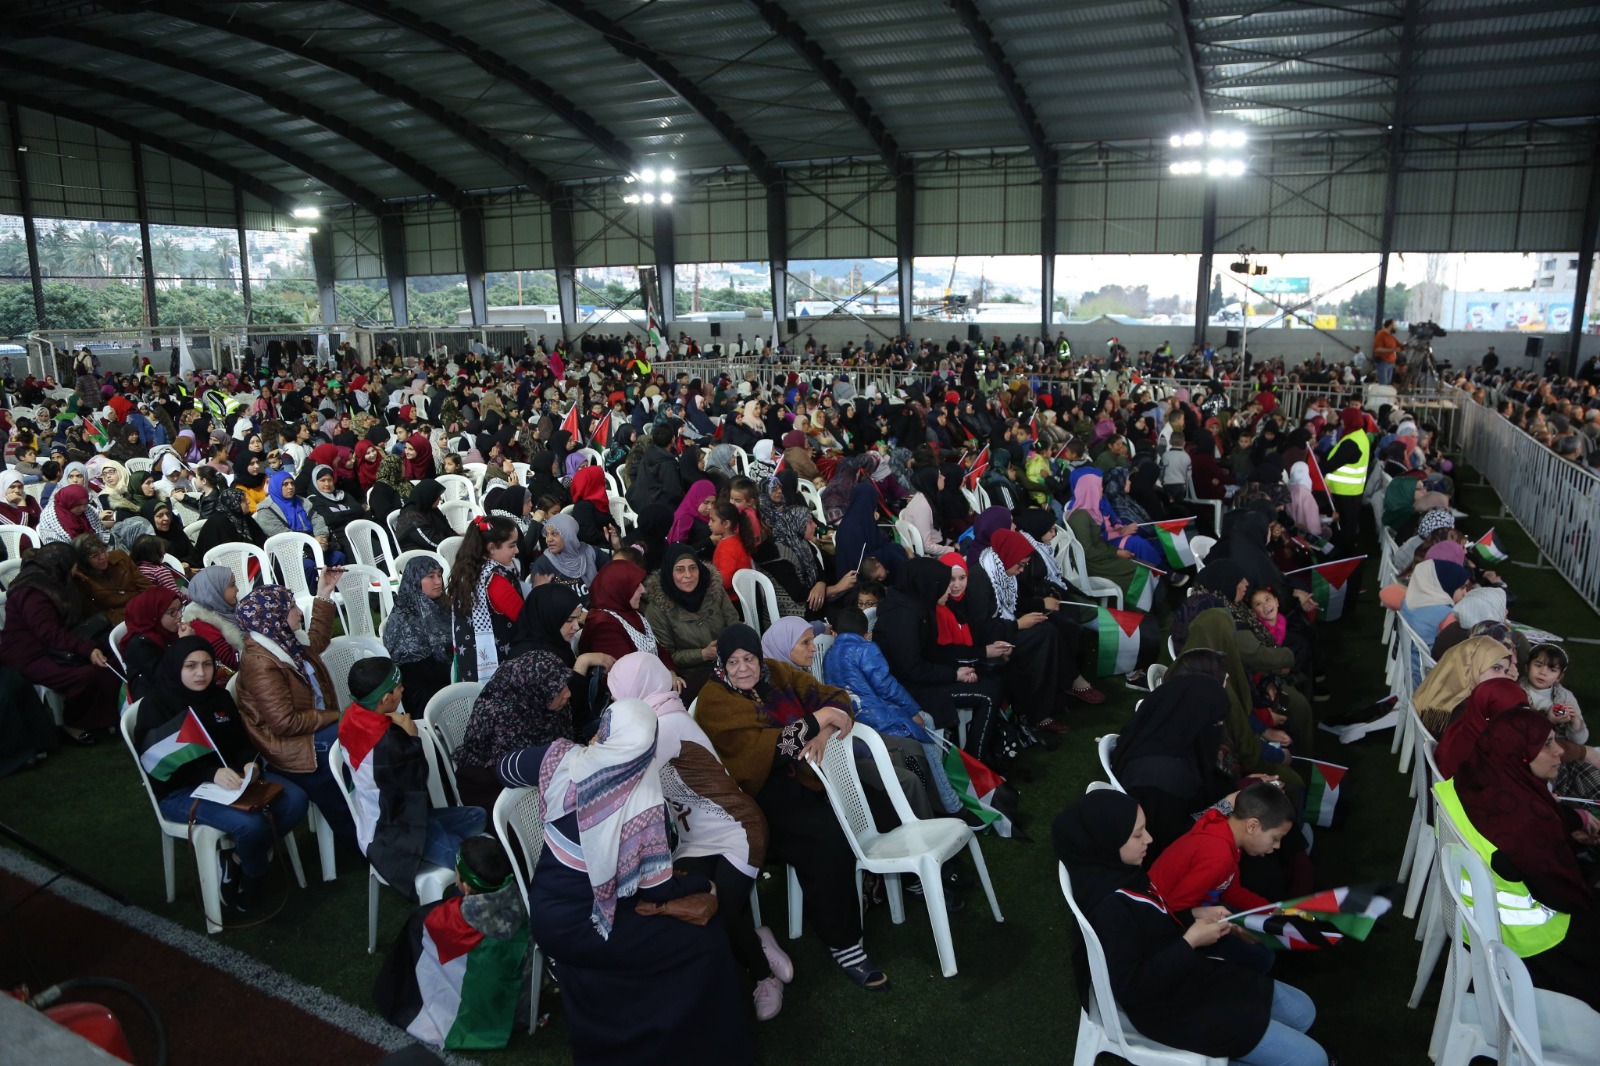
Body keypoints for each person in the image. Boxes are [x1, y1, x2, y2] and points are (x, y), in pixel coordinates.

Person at [495, 698, 754, 1064]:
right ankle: (677, 1046)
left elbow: (504, 769)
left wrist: (565, 758)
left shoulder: (562, 760)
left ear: (605, 731)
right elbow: (658, 890)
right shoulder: (644, 803)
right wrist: (702, 885)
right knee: (704, 940)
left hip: (552, 914)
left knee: (688, 935)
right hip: (596, 920)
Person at [1053, 789, 1327, 1065]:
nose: (1149, 839)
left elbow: (1155, 920)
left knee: (1303, 1012)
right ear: (1108, 840)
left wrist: (1195, 914)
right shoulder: (1109, 907)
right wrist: (1191, 941)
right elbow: (1132, 986)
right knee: (1314, 1058)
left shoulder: (1124, 875)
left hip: (1188, 978)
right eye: (1138, 834)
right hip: (1170, 1008)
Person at [695, 624, 889, 990]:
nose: (742, 669)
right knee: (825, 837)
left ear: (759, 656)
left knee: (874, 801)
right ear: (721, 663)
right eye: (732, 661)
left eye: (749, 658)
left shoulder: (777, 672)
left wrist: (825, 730)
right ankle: (846, 943)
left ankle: (891, 882)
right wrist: (821, 719)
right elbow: (769, 749)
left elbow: (835, 697)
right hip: (758, 798)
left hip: (807, 776)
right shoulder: (714, 700)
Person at [608, 651, 791, 1021]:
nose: (614, 701)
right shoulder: (653, 715)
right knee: (689, 897)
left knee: (721, 905)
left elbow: (622, 776)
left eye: (617, 692)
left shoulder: (664, 724)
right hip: (696, 838)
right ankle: (757, 937)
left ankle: (763, 976)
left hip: (737, 828)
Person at [1435, 708, 1600, 1012]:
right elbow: (1569, 895)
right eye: (1547, 744)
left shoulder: (1470, 779)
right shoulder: (1528, 821)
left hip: (1478, 924)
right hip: (1532, 945)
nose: (1559, 751)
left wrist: (1567, 826)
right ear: (1519, 753)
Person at [134, 636, 310, 913]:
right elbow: (157, 764)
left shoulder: (219, 697)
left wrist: (250, 764)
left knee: (297, 798)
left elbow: (241, 744)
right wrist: (209, 773)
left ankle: (238, 859)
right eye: (190, 666)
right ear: (174, 667)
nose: (201, 673)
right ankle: (251, 880)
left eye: (207, 664)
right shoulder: (156, 706)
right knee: (251, 826)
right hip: (180, 790)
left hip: (233, 781)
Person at [337, 657, 486, 897]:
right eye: (398, 688)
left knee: (478, 816)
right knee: (470, 865)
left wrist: (387, 719)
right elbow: (417, 783)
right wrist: (412, 736)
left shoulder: (349, 715)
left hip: (399, 813)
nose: (403, 689)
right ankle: (466, 913)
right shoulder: (390, 745)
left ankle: (445, 842)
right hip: (393, 831)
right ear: (386, 699)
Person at [374, 835, 529, 1050]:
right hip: (522, 1006)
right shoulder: (518, 898)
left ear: (465, 886)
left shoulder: (445, 920)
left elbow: (426, 937)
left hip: (486, 1019)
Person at [234, 576, 355, 849]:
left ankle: (373, 820)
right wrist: (339, 716)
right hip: (288, 747)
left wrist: (323, 593)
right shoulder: (261, 662)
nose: (299, 612)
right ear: (273, 616)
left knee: (366, 739)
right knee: (355, 738)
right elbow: (284, 723)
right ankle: (356, 832)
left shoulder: (283, 640)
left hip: (312, 731)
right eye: (291, 607)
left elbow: (317, 641)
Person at [0, 541, 121, 743]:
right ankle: (71, 722)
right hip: (29, 653)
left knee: (110, 659)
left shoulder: (53, 579)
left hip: (56, 645)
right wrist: (86, 649)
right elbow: (48, 632)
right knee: (86, 674)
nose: (76, 568)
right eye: (73, 564)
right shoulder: (33, 592)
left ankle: (104, 716)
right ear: (61, 564)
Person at [1108, 670, 1238, 857]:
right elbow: (1169, 843)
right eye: (1215, 724)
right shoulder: (1160, 777)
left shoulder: (1160, 736)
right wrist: (1226, 806)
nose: (1218, 732)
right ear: (1194, 721)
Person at [452, 650, 575, 811]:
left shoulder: (544, 702)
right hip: (497, 797)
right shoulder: (501, 719)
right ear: (533, 689)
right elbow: (517, 778)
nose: (568, 693)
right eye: (558, 689)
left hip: (548, 785)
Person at [1149, 781, 1293, 916]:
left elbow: (1230, 891)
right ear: (1252, 826)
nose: (1277, 846)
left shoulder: (1229, 839)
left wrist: (1277, 911)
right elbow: (1177, 909)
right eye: (1275, 838)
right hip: (1160, 917)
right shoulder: (1218, 855)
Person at [643, 545, 740, 700]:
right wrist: (703, 654)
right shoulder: (657, 610)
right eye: (680, 570)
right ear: (669, 572)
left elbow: (733, 622)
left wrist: (735, 638)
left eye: (693, 568)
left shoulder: (713, 589)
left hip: (730, 660)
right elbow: (668, 656)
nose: (688, 575)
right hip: (693, 674)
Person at [447, 516, 522, 683]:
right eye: (512, 545)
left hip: (468, 662)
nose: (516, 551)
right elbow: (524, 618)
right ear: (491, 548)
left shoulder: (465, 570)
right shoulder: (496, 580)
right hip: (497, 665)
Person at [383, 556, 455, 717]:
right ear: (415, 580)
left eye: (439, 575)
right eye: (430, 576)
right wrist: (460, 671)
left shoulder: (442, 606)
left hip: (447, 676)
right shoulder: (405, 618)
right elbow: (419, 672)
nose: (438, 582)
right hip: (423, 693)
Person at [578, 560, 676, 677]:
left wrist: (671, 672)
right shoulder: (603, 626)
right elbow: (630, 675)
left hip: (655, 680)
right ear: (619, 588)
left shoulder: (628, 611)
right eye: (635, 586)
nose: (643, 590)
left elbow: (658, 649)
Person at [119, 585, 187, 700]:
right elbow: (167, 676)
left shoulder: (168, 632)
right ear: (154, 614)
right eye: (172, 612)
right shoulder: (140, 645)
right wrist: (185, 643)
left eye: (180, 608)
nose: (180, 615)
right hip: (154, 700)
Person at [71, 531, 151, 625]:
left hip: (144, 606)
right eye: (95, 555)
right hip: (119, 620)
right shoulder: (80, 578)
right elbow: (95, 613)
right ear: (83, 560)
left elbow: (146, 585)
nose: (103, 557)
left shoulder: (120, 557)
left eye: (103, 551)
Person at [530, 512, 605, 601]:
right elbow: (541, 602)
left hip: (597, 609)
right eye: (547, 534)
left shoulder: (589, 552)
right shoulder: (543, 565)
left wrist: (617, 546)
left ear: (569, 534)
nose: (548, 540)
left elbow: (614, 572)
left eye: (554, 534)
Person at [183, 564, 246, 669]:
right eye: (232, 585)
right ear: (214, 591)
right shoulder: (201, 624)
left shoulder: (229, 608)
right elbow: (232, 661)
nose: (237, 589)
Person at [394, 479, 455, 552]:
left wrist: (459, 539)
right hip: (419, 556)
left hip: (438, 549)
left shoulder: (430, 508)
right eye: (437, 495)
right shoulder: (411, 517)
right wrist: (454, 543)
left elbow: (447, 530)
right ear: (428, 495)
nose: (440, 499)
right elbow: (432, 542)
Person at [38, 484, 106, 546]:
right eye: (78, 505)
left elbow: (99, 531)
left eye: (85, 503)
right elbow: (55, 546)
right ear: (69, 503)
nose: (83, 508)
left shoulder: (88, 509)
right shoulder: (49, 516)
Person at [1373, 317, 1400, 385]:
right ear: (1390, 325)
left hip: (1390, 362)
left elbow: (1400, 345)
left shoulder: (1390, 336)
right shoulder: (1381, 334)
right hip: (1383, 362)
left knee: (1387, 384)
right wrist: (1392, 350)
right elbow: (1377, 349)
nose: (1396, 326)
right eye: (1395, 324)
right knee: (1384, 383)